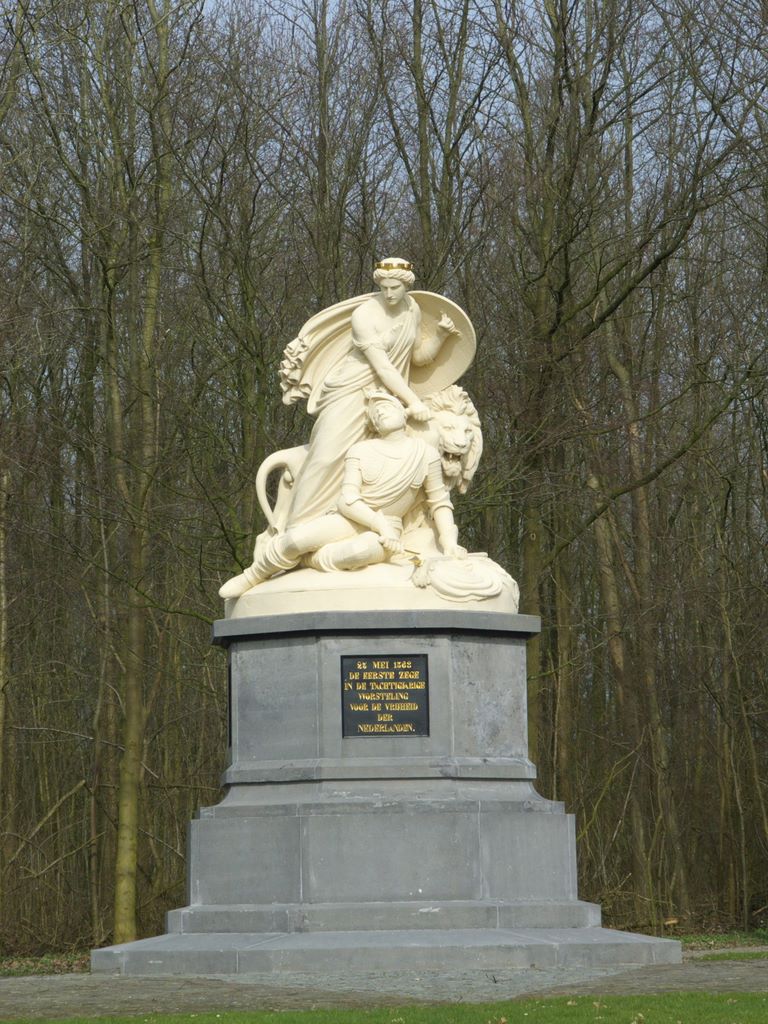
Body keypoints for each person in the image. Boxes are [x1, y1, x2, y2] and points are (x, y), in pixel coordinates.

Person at [219, 391, 465, 595]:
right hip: (350, 519)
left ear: (404, 413)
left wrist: (449, 542)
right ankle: (252, 576)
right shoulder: (360, 450)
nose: (380, 412)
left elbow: (439, 502)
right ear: (373, 426)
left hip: (388, 529)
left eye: (387, 407)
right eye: (375, 413)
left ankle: (309, 560)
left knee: (360, 552)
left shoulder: (425, 454)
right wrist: (378, 524)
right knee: (295, 540)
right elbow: (347, 501)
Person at [279, 258, 456, 528]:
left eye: (395, 287)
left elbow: (415, 358)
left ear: (406, 285)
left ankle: (355, 525)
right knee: (325, 456)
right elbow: (383, 368)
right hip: (350, 390)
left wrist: (440, 336)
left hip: (387, 399)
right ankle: (295, 530)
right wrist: (412, 400)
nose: (389, 293)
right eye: (384, 287)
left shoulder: (413, 311)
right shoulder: (365, 315)